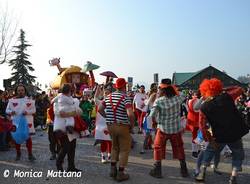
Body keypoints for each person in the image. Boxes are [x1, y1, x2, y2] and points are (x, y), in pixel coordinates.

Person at [195, 78, 249, 184]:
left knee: (209, 152)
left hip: (218, 136)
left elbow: (202, 126)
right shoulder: (227, 97)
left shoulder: (204, 107)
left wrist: (209, 140)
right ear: (218, 88)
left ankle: (202, 173)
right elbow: (239, 88)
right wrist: (223, 89)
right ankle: (233, 176)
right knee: (237, 154)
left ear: (204, 91)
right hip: (234, 134)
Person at [149, 79, 188, 178]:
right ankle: (184, 171)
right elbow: (182, 94)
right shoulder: (178, 98)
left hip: (163, 129)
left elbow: (152, 115)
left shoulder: (159, 101)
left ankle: (157, 171)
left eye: (160, 89)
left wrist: (154, 123)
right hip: (176, 129)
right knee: (179, 148)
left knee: (158, 148)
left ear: (163, 90)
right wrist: (172, 88)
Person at [98, 78, 135, 182]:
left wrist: (107, 117)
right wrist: (131, 126)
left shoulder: (108, 96)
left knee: (114, 147)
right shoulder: (125, 97)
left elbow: (100, 109)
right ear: (124, 86)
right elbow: (130, 114)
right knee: (124, 149)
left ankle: (112, 170)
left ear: (116, 86)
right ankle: (121, 173)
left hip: (111, 126)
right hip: (122, 126)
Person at [53, 83, 81, 171]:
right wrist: (72, 113)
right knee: (65, 147)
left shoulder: (72, 100)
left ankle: (71, 166)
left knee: (72, 147)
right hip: (61, 126)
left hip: (72, 126)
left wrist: (73, 112)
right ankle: (58, 163)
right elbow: (58, 113)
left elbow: (80, 112)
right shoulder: (57, 100)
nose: (70, 92)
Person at [5, 84, 36, 161]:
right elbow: (7, 110)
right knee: (16, 138)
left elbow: (34, 110)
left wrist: (27, 112)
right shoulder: (12, 100)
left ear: (25, 91)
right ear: (16, 91)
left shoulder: (29, 100)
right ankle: (18, 154)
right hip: (16, 122)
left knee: (28, 138)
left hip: (26, 122)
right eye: (19, 90)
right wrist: (11, 112)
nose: (20, 92)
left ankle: (30, 154)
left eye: (22, 90)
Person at [94, 84, 112, 163]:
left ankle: (110, 155)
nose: (106, 95)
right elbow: (95, 98)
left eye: (108, 93)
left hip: (110, 124)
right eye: (105, 93)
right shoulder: (100, 102)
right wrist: (97, 89)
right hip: (101, 125)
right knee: (103, 141)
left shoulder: (112, 103)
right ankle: (103, 156)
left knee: (110, 140)